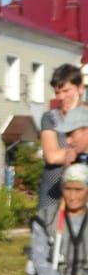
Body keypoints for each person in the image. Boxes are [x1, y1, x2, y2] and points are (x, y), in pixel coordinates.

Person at [38, 63, 84, 210]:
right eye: (58, 93)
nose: (62, 97)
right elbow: (51, 155)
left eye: (66, 91)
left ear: (80, 88)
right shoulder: (50, 118)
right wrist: (80, 150)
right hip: (52, 196)